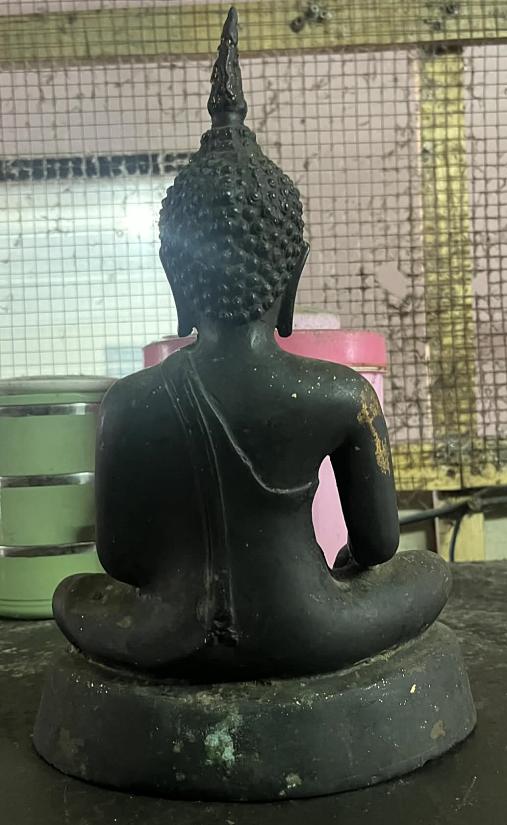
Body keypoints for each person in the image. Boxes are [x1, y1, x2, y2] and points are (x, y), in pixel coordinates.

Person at [53, 8, 450, 680]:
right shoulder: (341, 396)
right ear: (291, 275)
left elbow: (118, 561)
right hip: (311, 628)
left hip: (166, 636)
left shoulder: (128, 402)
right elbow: (379, 546)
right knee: (428, 571)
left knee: (70, 594)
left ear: (174, 276)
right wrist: (341, 574)